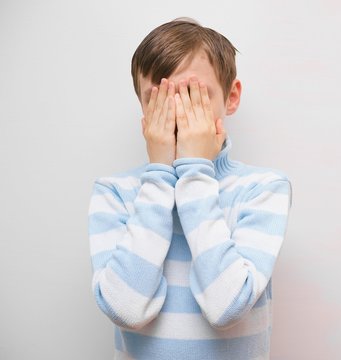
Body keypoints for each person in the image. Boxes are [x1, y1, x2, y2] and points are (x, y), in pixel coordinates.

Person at [87, 17, 293, 360]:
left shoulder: (263, 189)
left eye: (193, 95)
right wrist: (159, 176)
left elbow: (227, 306)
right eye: (162, 99)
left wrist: (195, 174)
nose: (180, 113)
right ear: (143, 107)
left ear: (231, 97)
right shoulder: (115, 193)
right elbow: (124, 308)